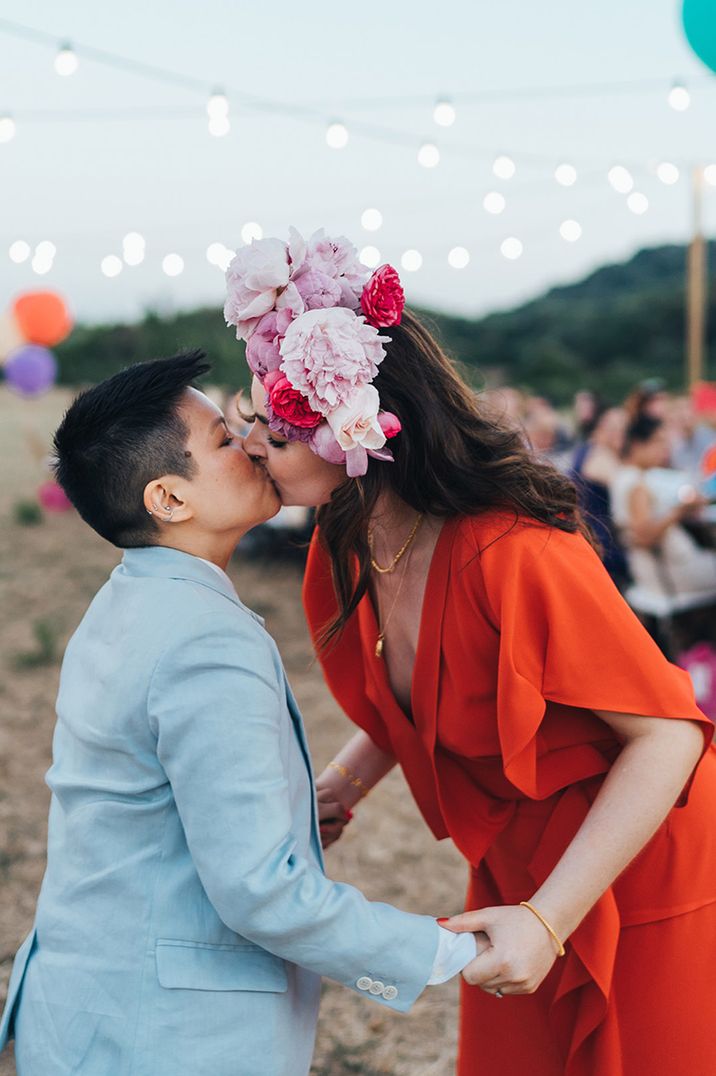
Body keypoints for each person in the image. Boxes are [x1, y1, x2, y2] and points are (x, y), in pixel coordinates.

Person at [232, 227, 716, 1076]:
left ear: (355, 421)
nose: (254, 445)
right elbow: (423, 692)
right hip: (512, 859)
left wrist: (549, 918)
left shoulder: (515, 553)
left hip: (637, 861)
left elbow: (671, 735)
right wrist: (338, 790)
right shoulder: (344, 545)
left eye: (277, 424)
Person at [0, 351, 478, 1076]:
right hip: (163, 1037)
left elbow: (139, 796)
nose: (255, 444)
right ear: (168, 499)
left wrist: (283, 813)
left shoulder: (128, 599)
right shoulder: (203, 637)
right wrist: (448, 952)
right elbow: (263, 894)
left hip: (90, 1007)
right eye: (224, 439)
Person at [610, 413, 716, 627]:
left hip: (659, 573)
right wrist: (679, 511)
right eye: (659, 441)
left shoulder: (625, 477)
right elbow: (644, 536)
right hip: (673, 574)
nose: (664, 449)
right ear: (638, 444)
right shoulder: (636, 484)